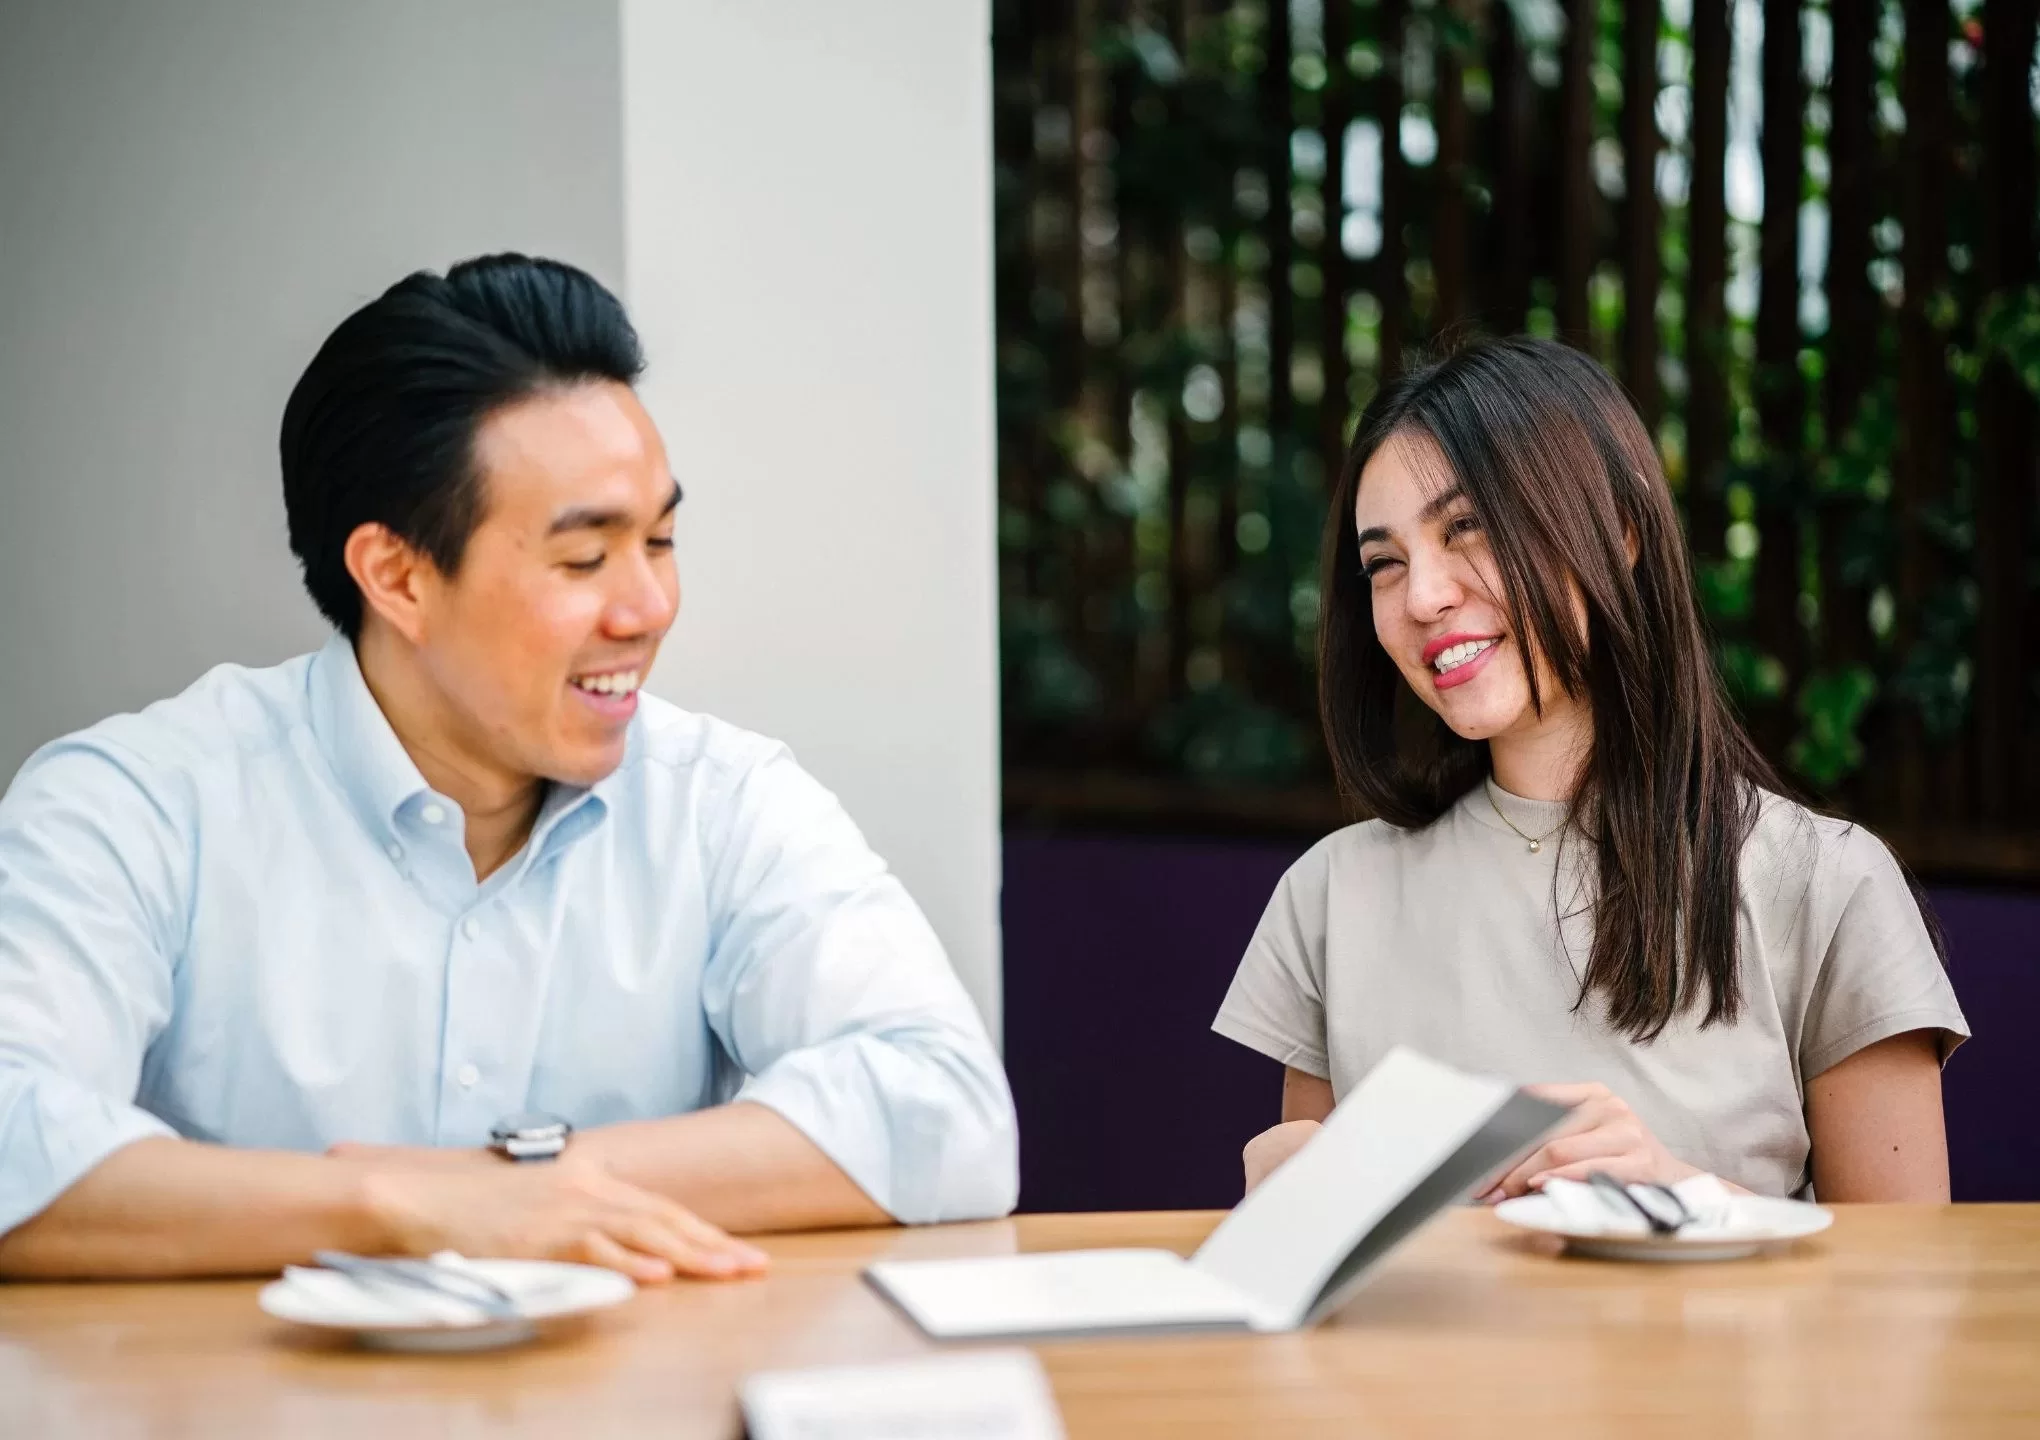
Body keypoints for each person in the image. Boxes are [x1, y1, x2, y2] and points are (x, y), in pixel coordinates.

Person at [0, 254, 1016, 1280]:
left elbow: (948, 1109)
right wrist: (397, 1209)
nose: (649, 609)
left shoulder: (722, 802)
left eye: (660, 540)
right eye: (584, 560)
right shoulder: (135, 806)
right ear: (396, 575)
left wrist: (536, 1183)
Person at [1215, 336, 1967, 1202]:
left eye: (1469, 528)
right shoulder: (1330, 900)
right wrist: (1288, 1218)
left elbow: (1906, 1305)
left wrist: (1680, 1197)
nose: (1422, 597)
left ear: (1620, 530)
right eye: (1385, 564)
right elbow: (1324, 1302)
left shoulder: (1825, 885)